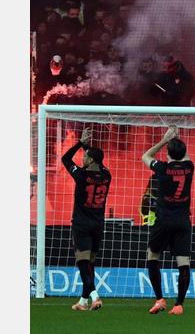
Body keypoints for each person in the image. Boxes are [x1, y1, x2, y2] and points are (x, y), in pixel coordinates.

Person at [141, 126, 195, 315]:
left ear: (167, 153)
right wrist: (178, 141)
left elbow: (145, 156)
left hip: (163, 221)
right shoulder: (189, 168)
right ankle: (179, 304)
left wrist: (165, 140)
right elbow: (185, 157)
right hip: (182, 221)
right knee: (183, 262)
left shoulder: (162, 168)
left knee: (152, 256)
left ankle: (160, 299)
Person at [61, 128, 111, 311]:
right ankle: (83, 302)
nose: (82, 158)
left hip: (81, 224)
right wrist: (88, 148)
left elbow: (65, 159)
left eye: (85, 156)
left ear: (90, 160)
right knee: (90, 263)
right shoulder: (107, 175)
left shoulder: (81, 175)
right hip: (98, 224)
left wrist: (81, 144)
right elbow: (99, 163)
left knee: (82, 262)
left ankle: (95, 296)